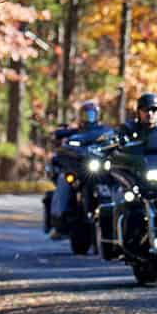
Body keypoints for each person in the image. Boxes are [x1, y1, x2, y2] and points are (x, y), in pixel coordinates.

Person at [48, 100, 113, 238]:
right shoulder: (75, 133)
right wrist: (62, 139)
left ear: (98, 115)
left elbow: (114, 139)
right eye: (86, 115)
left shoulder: (105, 131)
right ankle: (58, 220)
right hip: (79, 169)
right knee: (63, 181)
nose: (89, 118)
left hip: (99, 169)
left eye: (92, 114)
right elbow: (62, 144)